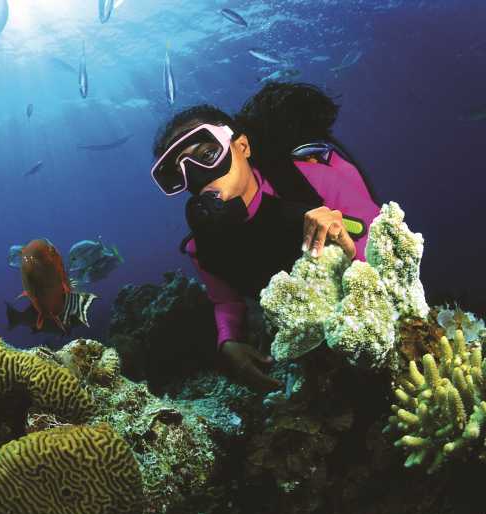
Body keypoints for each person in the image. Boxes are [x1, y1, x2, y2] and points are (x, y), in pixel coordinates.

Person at [150, 82, 381, 393]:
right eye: (180, 174)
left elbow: (382, 238)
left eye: (207, 154)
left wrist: (349, 246)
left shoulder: (313, 181)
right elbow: (226, 301)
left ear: (242, 147)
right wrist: (228, 342)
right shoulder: (202, 247)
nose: (197, 175)